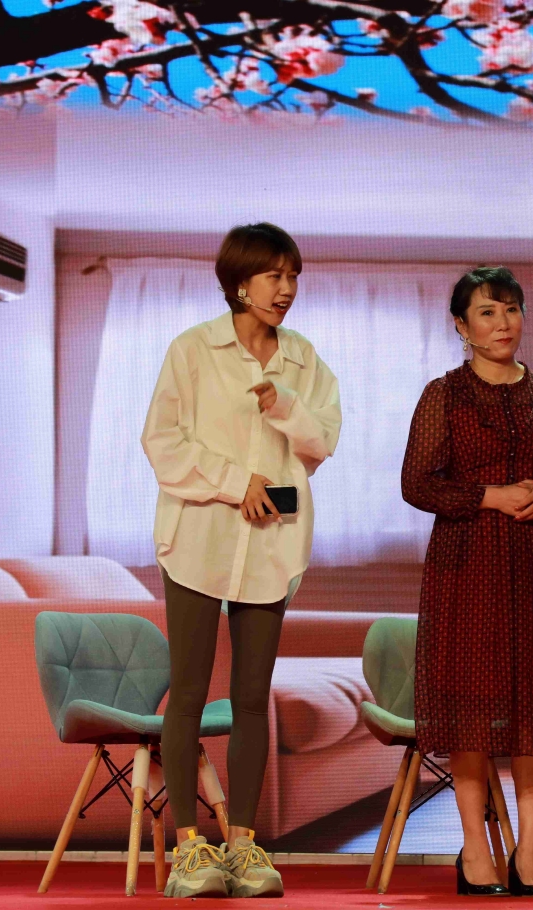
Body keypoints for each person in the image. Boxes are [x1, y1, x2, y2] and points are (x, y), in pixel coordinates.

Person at [141, 223, 341, 899]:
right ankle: (189, 850)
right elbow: (162, 443)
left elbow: (323, 442)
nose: (286, 289)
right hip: (198, 542)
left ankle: (246, 849)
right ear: (238, 283)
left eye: (293, 275)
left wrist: (284, 406)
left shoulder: (304, 360)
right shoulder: (192, 350)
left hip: (271, 544)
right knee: (189, 694)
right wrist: (234, 483)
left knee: (253, 697)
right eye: (273, 276)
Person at [401, 265, 533, 897]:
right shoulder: (444, 395)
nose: (502, 323)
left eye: (511, 309)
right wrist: (490, 495)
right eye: (487, 312)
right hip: (466, 567)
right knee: (471, 710)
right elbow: (417, 484)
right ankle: (474, 851)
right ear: (461, 325)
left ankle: (528, 853)